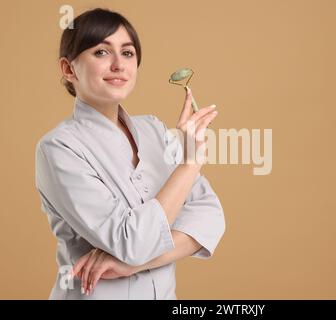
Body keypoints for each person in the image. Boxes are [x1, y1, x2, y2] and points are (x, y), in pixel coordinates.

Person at [34, 8, 225, 300]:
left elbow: (211, 218)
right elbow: (132, 242)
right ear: (68, 69)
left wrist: (130, 265)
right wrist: (190, 163)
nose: (118, 65)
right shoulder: (59, 149)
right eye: (100, 52)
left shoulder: (154, 130)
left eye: (127, 53)